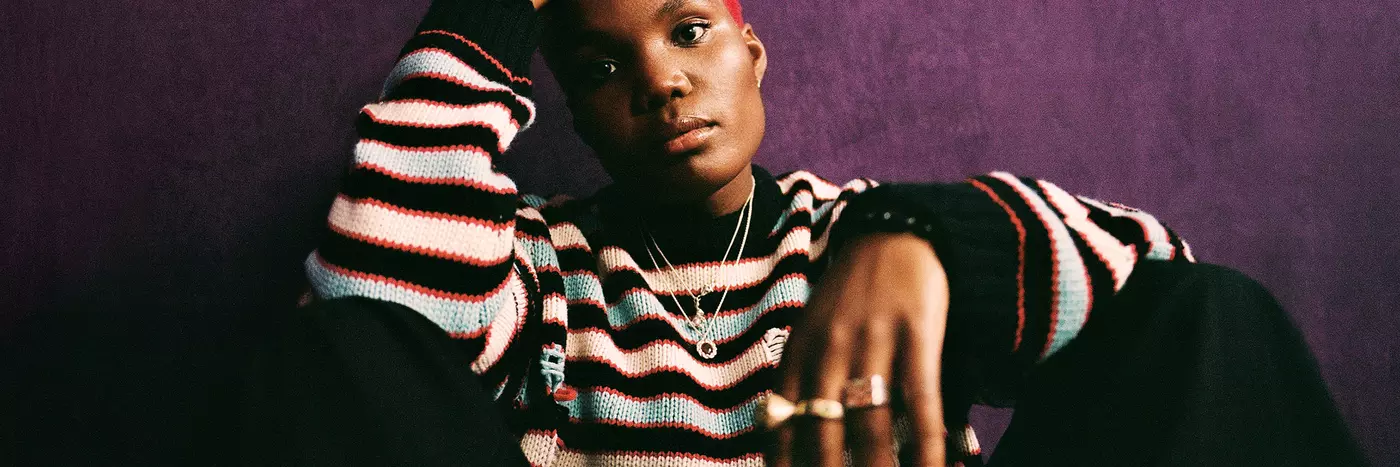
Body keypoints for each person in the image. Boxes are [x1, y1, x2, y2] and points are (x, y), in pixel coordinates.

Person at [240, 0, 1367, 465]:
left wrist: (921, 239)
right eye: (601, 65)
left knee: (1203, 309)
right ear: (570, 113)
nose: (662, 81)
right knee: (333, 345)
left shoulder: (852, 230)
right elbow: (368, 323)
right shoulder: (532, 266)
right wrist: (486, 14)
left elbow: (1157, 282)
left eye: (688, 31)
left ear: (751, 52)